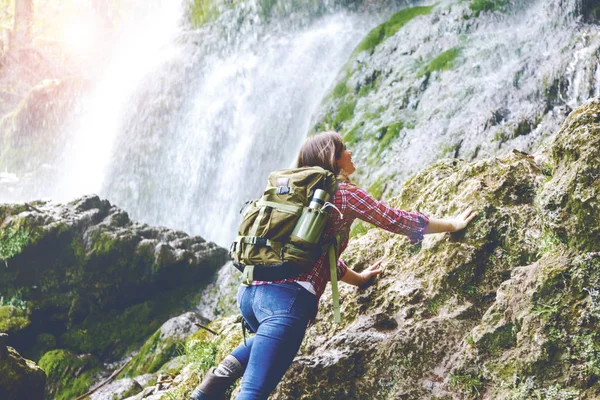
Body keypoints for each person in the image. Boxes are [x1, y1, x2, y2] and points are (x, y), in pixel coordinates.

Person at [191, 131, 477, 400]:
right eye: (344, 149)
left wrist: (361, 280)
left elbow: (319, 259)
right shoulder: (344, 195)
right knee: (253, 392)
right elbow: (396, 220)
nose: (350, 153)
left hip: (250, 295)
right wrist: (451, 224)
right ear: (333, 159)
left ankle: (211, 385)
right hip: (285, 304)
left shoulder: (303, 201)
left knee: (269, 341)